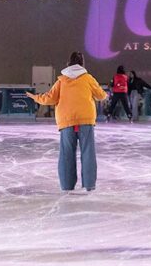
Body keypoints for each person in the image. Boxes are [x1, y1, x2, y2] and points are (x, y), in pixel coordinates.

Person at [27, 52, 107, 192]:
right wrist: (104, 94)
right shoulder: (88, 78)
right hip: (86, 119)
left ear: (68, 63)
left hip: (66, 121)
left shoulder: (61, 80)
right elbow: (100, 95)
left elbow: (49, 98)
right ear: (82, 63)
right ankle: (89, 185)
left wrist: (35, 97)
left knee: (66, 154)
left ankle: (67, 185)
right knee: (88, 152)